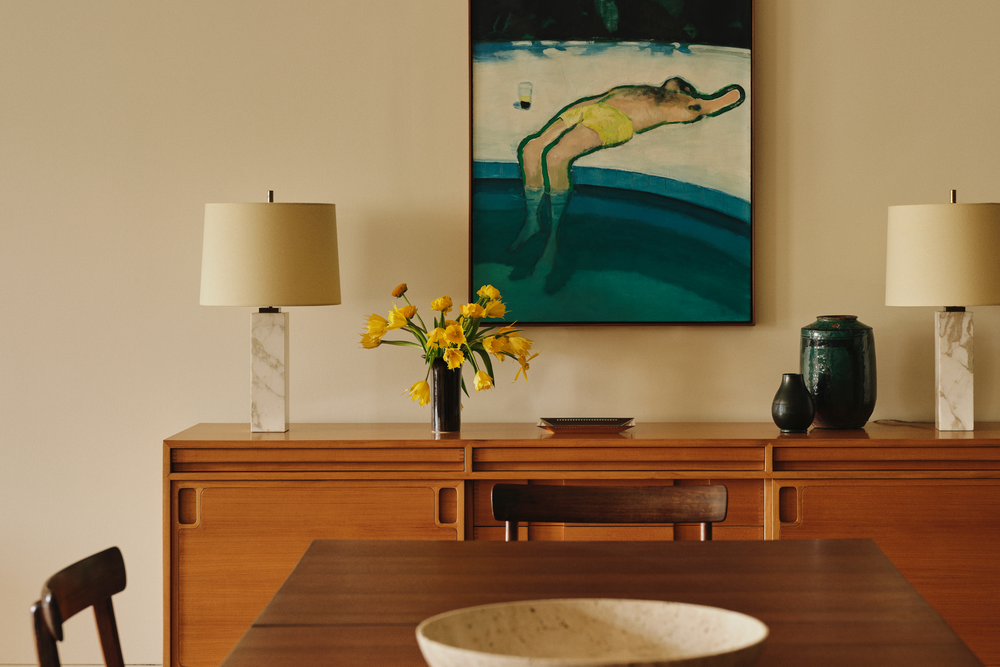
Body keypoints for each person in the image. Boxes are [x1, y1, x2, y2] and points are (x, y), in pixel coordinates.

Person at [510, 77, 746, 269]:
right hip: (592, 108)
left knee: (555, 157)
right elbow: (598, 98)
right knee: (531, 147)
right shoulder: (645, 90)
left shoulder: (686, 105)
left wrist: (720, 96)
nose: (672, 81)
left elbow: (728, 98)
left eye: (679, 84)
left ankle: (552, 239)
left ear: (686, 92)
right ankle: (532, 221)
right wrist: (569, 114)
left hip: (616, 120)